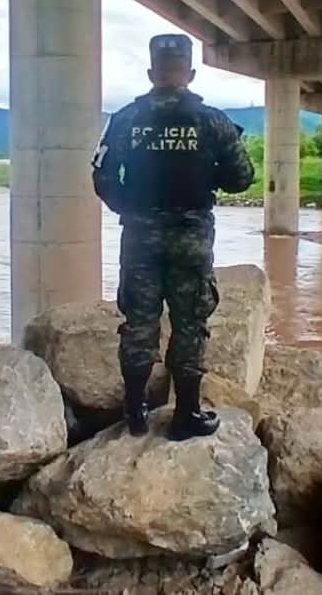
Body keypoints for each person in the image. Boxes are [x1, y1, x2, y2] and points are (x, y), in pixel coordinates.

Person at [93, 34, 255, 441]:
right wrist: (209, 172)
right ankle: (185, 415)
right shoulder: (212, 121)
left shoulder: (125, 119)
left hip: (140, 237)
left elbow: (102, 176)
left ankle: (135, 411)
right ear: (191, 73)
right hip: (191, 236)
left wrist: (129, 208)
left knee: (139, 322)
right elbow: (242, 177)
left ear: (151, 73)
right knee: (189, 324)